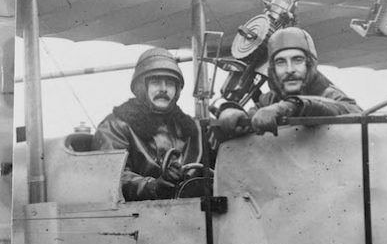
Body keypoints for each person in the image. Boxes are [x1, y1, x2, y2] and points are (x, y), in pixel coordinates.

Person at [93, 48, 202, 201]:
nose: (163, 89)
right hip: (138, 216)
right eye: (156, 82)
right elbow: (111, 176)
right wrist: (153, 186)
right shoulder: (115, 126)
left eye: (170, 83)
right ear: (141, 87)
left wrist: (229, 112)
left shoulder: (191, 127)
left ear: (177, 90)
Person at [218, 26, 361, 136]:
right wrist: (230, 113)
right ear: (273, 69)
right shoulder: (269, 100)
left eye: (297, 60)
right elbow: (253, 117)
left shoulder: (330, 94)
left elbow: (353, 112)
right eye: (281, 62)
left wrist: (292, 106)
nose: (290, 69)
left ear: (309, 64)